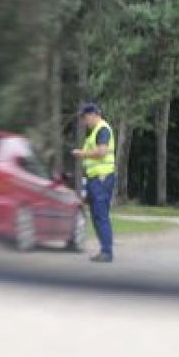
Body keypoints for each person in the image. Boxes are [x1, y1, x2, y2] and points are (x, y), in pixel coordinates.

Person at [71, 103, 116, 263]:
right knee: (97, 216)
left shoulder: (102, 129)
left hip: (101, 178)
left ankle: (107, 252)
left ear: (93, 115)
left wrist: (82, 153)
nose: (84, 121)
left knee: (100, 215)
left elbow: (102, 152)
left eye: (85, 117)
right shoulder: (94, 132)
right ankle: (104, 250)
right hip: (95, 179)